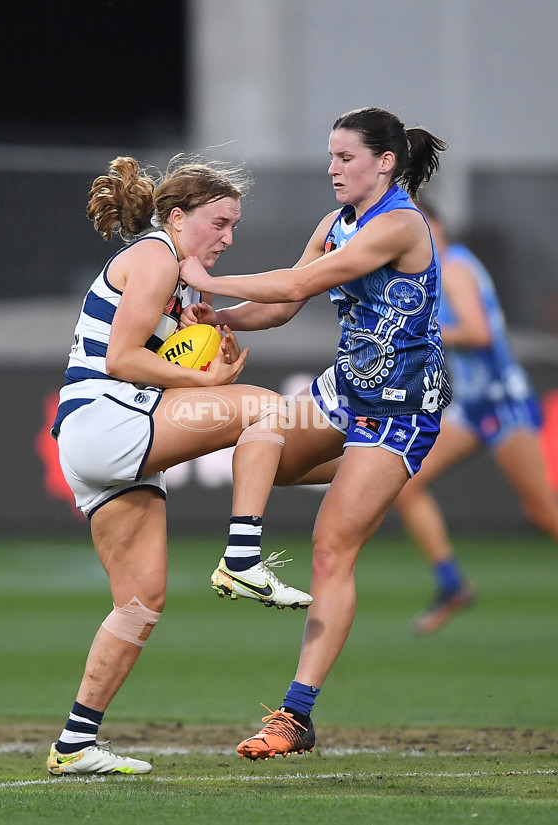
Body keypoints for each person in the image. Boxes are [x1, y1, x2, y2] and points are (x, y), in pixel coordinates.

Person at [180, 107, 451, 760]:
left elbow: (305, 280)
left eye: (345, 157)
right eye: (330, 156)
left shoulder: (401, 225)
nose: (332, 169)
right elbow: (281, 304)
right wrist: (222, 316)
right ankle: (243, 557)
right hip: (343, 393)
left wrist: (208, 276)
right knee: (260, 435)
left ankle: (295, 717)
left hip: (399, 411)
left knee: (331, 545)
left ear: (385, 162)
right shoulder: (335, 224)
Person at [45, 154, 312, 777]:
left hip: (97, 442)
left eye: (234, 226)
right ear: (177, 216)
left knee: (139, 602)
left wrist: (315, 258)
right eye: (218, 223)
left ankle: (76, 744)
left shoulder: (181, 279)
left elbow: (275, 308)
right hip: (108, 417)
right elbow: (121, 358)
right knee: (264, 411)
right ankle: (242, 558)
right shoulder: (156, 256)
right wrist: (207, 380)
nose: (227, 237)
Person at [393, 201, 558, 633]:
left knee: (543, 512)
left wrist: (420, 331)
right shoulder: (433, 271)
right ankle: (452, 585)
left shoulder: (455, 266)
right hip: (472, 406)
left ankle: (452, 587)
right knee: (404, 481)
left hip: (502, 401)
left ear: (438, 227)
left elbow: (478, 332)